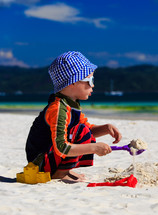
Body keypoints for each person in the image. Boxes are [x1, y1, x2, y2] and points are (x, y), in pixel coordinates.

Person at [25, 51, 122, 182]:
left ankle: (64, 170)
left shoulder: (71, 105)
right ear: (72, 82)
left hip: (50, 156)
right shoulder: (58, 109)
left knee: (81, 129)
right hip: (40, 162)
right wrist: (94, 148)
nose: (92, 86)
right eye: (90, 80)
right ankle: (60, 173)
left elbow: (87, 131)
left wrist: (106, 128)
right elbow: (61, 147)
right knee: (80, 130)